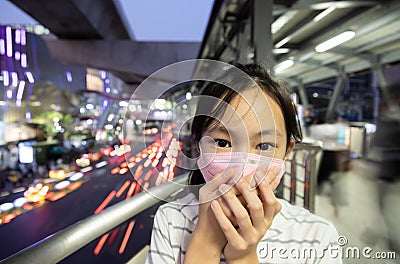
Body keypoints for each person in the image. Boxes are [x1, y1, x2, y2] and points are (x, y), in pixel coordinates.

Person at [145, 62, 342, 263]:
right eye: (223, 142)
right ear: (198, 145)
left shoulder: (317, 237)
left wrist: (244, 258)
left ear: (287, 151)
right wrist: (206, 244)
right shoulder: (171, 220)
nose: (241, 171)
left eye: (264, 146)